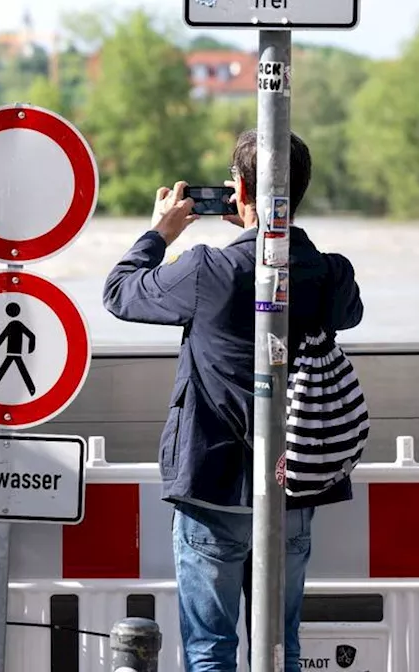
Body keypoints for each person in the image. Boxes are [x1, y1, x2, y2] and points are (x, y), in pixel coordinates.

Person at [101, 130, 364, 672]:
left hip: (214, 485)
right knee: (280, 646)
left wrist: (159, 232)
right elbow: (349, 312)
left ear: (238, 190)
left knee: (209, 649)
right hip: (294, 485)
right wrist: (263, 231)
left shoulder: (207, 270)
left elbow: (120, 293)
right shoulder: (331, 272)